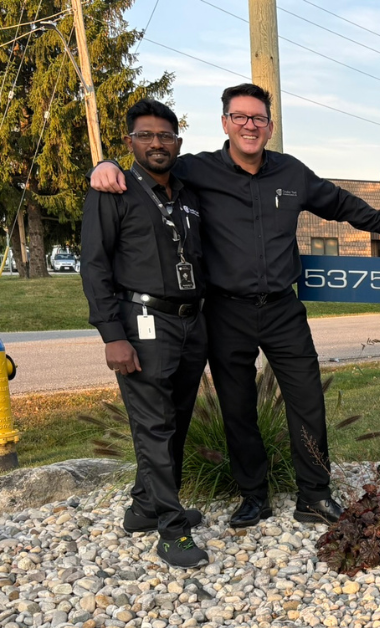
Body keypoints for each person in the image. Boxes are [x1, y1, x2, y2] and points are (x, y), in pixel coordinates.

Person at [90, 84, 380, 528]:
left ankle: (314, 495)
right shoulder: (196, 169)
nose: (249, 125)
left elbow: (339, 203)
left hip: (282, 310)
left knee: (308, 400)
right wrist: (103, 166)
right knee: (238, 408)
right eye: (240, 117)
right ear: (225, 124)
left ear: (269, 127)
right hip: (225, 311)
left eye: (258, 118)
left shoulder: (291, 174)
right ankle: (253, 496)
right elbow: (148, 165)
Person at [81, 99, 209, 568]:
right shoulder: (112, 191)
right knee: (153, 426)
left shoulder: (189, 190)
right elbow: (94, 266)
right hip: (141, 322)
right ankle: (172, 532)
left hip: (191, 322)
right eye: (146, 135)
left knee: (174, 420)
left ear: (178, 141)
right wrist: (112, 335)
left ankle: (143, 507)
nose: (157, 143)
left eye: (166, 136)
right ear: (130, 141)